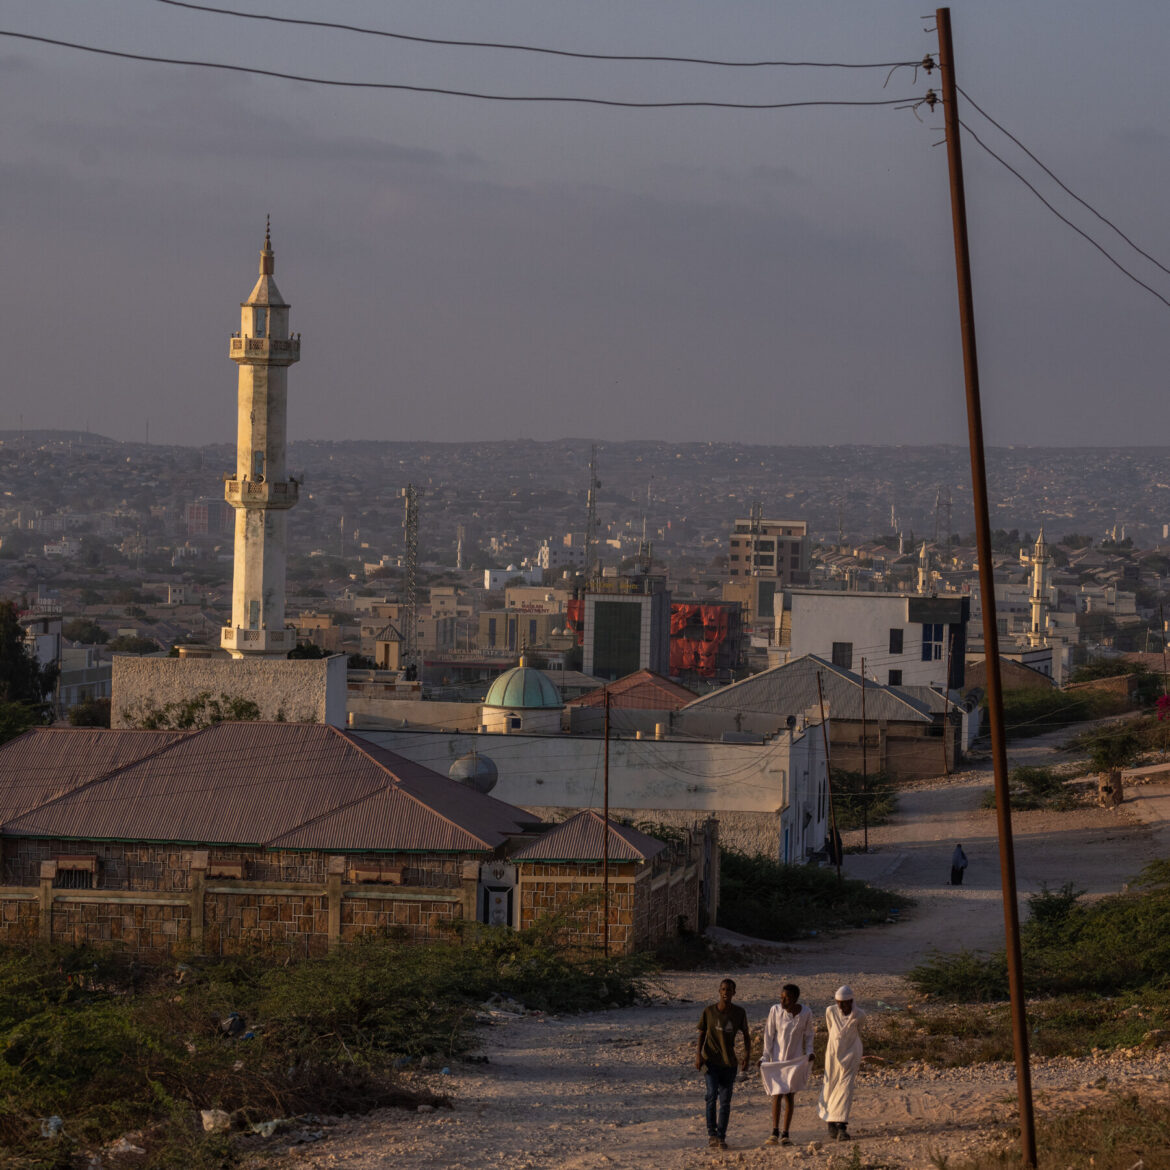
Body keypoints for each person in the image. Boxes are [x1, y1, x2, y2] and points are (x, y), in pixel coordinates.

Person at [695, 977, 751, 1150]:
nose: (726, 992)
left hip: (729, 1063)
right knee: (711, 1095)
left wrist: (746, 1056)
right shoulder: (709, 1011)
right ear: (719, 991)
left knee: (725, 1101)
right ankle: (711, 1133)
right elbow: (702, 1033)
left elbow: (746, 1035)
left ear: (734, 992)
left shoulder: (739, 1013)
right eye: (723, 989)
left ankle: (721, 1137)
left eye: (729, 990)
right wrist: (698, 1055)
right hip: (710, 1061)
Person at [759, 982, 815, 1146]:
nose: (782, 1001)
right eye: (781, 997)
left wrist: (810, 1052)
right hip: (777, 1059)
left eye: (787, 998)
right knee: (776, 1094)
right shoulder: (775, 1011)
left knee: (790, 1095)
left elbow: (809, 1035)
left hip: (794, 1060)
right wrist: (765, 1056)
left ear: (795, 999)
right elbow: (769, 1035)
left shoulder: (806, 1013)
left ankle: (785, 1133)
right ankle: (774, 1132)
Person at [817, 985, 867, 1141]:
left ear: (851, 1001)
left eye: (844, 1003)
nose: (841, 1006)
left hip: (852, 1054)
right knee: (830, 1086)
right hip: (833, 1055)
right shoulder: (830, 1011)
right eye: (839, 1003)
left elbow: (858, 1031)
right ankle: (830, 1121)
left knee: (845, 1089)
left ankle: (841, 1127)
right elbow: (831, 1029)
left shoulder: (860, 1015)